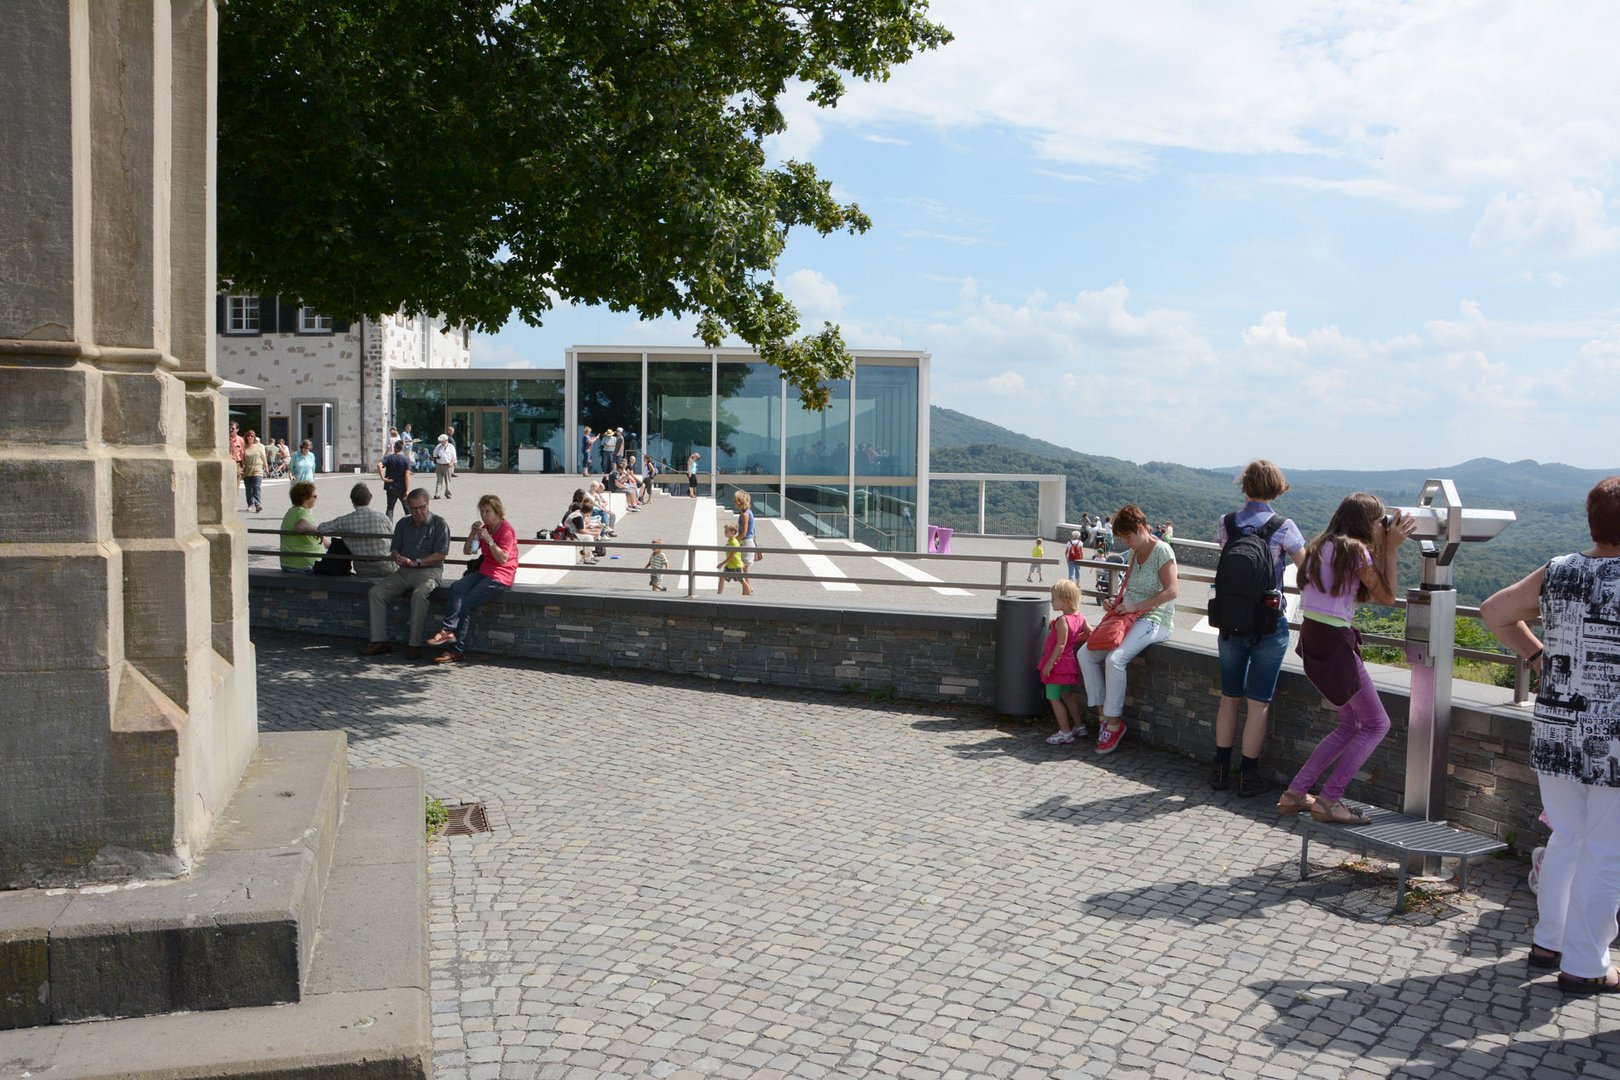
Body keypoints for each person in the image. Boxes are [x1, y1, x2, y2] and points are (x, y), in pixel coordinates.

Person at [1482, 477, 1620, 993]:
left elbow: (1494, 612)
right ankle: (1586, 967)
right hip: (1613, 736)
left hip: (1557, 726)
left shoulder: (1560, 571)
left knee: (1568, 836)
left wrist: (1539, 658)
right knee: (1608, 852)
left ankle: (1549, 941)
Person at [1276, 494, 1416, 825]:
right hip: (1336, 642)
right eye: (1380, 521)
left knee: (1350, 724)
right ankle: (1329, 800)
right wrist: (1392, 548)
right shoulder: (1356, 550)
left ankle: (1295, 793)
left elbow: (1357, 590)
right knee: (1376, 724)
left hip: (1312, 637)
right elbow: (1386, 595)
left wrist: (1382, 544)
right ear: (1367, 523)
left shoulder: (1320, 545)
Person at [1210, 460, 1308, 798]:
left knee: (1229, 698)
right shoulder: (1285, 526)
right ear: (1277, 487)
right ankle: (1246, 775)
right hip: (1269, 624)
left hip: (1230, 622)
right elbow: (1306, 572)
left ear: (1245, 485)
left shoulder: (1227, 523)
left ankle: (1220, 768)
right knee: (1258, 703)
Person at [1079, 504, 1178, 755]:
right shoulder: (1134, 554)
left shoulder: (1162, 550)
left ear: (1141, 528)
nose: (1127, 542)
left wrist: (1137, 605)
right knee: (1085, 654)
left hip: (1156, 618)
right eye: (1123, 538)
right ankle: (1104, 717)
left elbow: (1172, 591)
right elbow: (1130, 590)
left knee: (1115, 659)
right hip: (1132, 615)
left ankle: (1113, 723)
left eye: (1129, 537)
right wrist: (1115, 601)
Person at [425, 495, 519, 664]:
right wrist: (472, 533)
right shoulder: (485, 528)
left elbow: (503, 559)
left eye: (487, 512)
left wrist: (490, 541)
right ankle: (447, 629)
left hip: (501, 575)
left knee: (467, 604)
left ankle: (457, 650)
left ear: (498, 512)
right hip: (484, 571)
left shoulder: (506, 530)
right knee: (456, 587)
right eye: (482, 512)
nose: (484, 515)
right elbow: (468, 551)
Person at [365, 489, 452, 659]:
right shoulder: (403, 523)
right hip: (404, 571)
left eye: (422, 507)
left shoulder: (439, 523)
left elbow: (441, 554)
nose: (419, 512)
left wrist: (418, 562)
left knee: (419, 595)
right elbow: (394, 548)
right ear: (408, 508)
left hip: (429, 572)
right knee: (376, 593)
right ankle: (379, 640)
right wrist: (397, 557)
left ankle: (414, 644)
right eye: (414, 509)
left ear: (428, 504)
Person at [1040, 580, 1090, 744]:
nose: (1052, 601)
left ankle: (1065, 732)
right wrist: (1073, 639)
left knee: (1054, 698)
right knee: (1068, 695)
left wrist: (1049, 664)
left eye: (1054, 598)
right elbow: (1090, 634)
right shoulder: (1080, 617)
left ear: (1066, 600)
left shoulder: (1062, 620)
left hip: (1058, 666)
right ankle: (1079, 726)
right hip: (1069, 665)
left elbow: (1060, 645)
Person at [316, 482, 395, 578]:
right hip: (385, 566)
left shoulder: (344, 521)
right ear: (370, 498)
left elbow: (321, 528)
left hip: (362, 568)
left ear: (352, 501)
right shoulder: (382, 518)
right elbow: (393, 539)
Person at [278, 481, 327, 572]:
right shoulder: (302, 512)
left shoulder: (291, 512)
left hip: (288, 563)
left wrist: (327, 543)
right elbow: (300, 525)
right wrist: (318, 530)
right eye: (314, 496)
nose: (316, 498)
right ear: (306, 498)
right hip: (303, 565)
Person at [376, 439, 412, 519]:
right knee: (406, 508)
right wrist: (407, 490)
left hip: (390, 486)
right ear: (402, 448)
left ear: (394, 448)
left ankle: (389, 528)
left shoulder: (389, 458)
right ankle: (410, 525)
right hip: (402, 487)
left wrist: (383, 478)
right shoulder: (406, 459)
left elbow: (379, 465)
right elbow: (407, 475)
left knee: (390, 508)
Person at [717, 523, 752, 595]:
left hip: (736, 565)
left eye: (727, 531)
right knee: (722, 576)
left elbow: (731, 557)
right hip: (731, 565)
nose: (725, 532)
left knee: (742, 580)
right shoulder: (730, 540)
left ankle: (749, 594)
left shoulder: (733, 542)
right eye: (725, 531)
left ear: (732, 532)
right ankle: (718, 594)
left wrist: (722, 563)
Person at [240, 430, 267, 513]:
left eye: (252, 436)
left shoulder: (259, 446)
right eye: (248, 436)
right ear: (246, 437)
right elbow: (242, 458)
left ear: (254, 437)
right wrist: (242, 467)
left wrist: (266, 467)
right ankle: (250, 504)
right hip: (247, 470)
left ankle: (258, 504)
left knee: (256, 487)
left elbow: (263, 457)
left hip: (257, 469)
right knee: (248, 489)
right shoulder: (244, 447)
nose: (250, 437)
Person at [733, 491, 758, 571]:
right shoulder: (748, 512)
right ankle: (747, 584)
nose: (734, 502)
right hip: (747, 543)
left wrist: (732, 541)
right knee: (744, 571)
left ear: (741, 502)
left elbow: (743, 534)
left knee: (739, 569)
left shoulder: (745, 515)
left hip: (746, 543)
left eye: (735, 500)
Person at [433, 433, 456, 499]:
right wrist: (436, 457)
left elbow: (453, 457)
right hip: (439, 465)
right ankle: (437, 494)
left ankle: (448, 493)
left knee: (447, 480)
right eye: (440, 441)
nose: (441, 442)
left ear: (446, 440)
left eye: (442, 441)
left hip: (447, 465)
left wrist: (451, 463)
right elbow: (434, 454)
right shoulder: (438, 446)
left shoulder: (451, 447)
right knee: (439, 480)